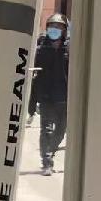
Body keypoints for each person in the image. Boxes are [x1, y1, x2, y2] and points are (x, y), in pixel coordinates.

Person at [31, 13, 70, 176]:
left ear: (64, 30)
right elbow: (34, 73)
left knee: (61, 130)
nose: (55, 29)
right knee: (46, 129)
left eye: (59, 26)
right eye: (52, 26)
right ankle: (46, 161)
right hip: (46, 96)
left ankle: (51, 152)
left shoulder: (69, 49)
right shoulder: (41, 49)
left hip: (64, 96)